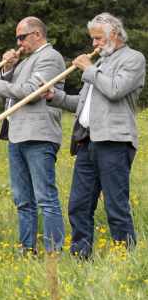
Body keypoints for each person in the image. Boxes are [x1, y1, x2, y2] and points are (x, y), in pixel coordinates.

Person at [46, 13, 145, 257]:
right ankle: (81, 257)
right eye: (93, 39)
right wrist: (55, 97)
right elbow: (83, 102)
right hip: (87, 141)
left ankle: (126, 257)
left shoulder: (133, 59)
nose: (94, 44)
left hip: (115, 141)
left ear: (114, 35)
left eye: (98, 39)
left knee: (115, 205)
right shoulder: (99, 64)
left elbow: (114, 89)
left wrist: (88, 69)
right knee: (78, 205)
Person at [0, 16, 66, 253]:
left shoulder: (50, 57)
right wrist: (7, 68)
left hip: (39, 134)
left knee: (45, 197)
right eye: (17, 37)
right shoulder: (28, 61)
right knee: (22, 199)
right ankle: (27, 248)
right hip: (17, 134)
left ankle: (53, 250)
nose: (18, 42)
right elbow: (10, 91)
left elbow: (30, 93)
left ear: (37, 34)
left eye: (22, 37)